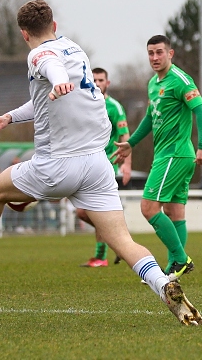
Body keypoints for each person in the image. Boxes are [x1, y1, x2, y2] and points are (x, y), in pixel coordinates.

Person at [0, 0, 202, 325]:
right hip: (96, 165)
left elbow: (48, 63)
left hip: (56, 166)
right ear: (54, 26)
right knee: (124, 242)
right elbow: (43, 95)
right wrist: (10, 116)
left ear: (25, 34)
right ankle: (163, 284)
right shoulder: (75, 50)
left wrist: (57, 82)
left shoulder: (38, 54)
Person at [112, 35, 202, 280]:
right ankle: (174, 267)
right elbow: (149, 117)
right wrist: (131, 143)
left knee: (148, 207)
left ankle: (180, 258)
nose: (155, 58)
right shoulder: (153, 84)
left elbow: (201, 110)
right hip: (169, 155)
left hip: (175, 154)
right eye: (150, 53)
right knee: (174, 211)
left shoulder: (180, 80)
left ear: (170, 53)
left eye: (159, 52)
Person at [75, 66, 132, 268]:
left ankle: (102, 255)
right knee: (85, 212)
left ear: (107, 83)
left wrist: (127, 164)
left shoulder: (114, 107)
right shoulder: (84, 103)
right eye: (95, 80)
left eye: (101, 80)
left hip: (107, 166)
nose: (97, 83)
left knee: (91, 211)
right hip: (87, 165)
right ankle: (118, 243)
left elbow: (125, 137)